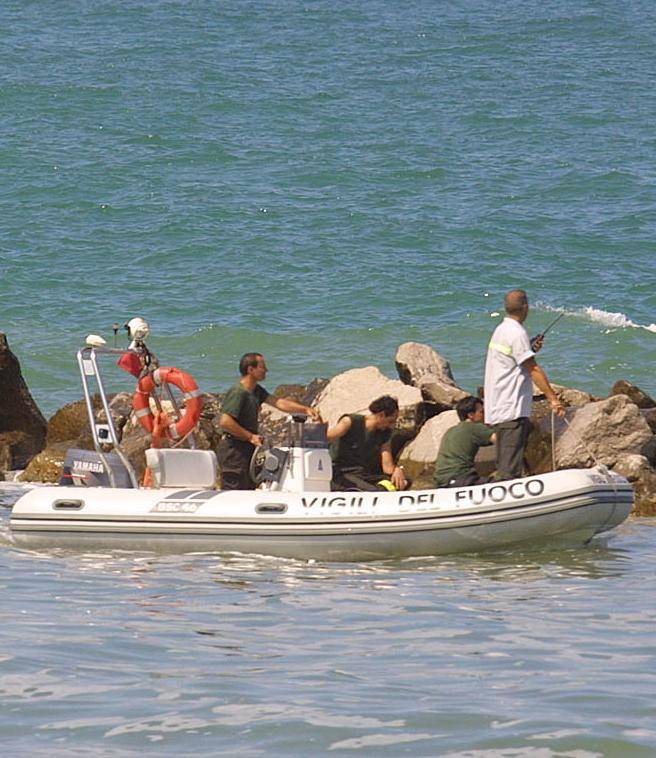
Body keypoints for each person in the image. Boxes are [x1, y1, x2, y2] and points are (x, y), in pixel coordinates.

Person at [484, 289, 565, 481]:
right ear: (525, 307)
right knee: (509, 469)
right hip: (511, 408)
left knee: (505, 462)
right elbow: (533, 369)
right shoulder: (516, 332)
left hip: (498, 406)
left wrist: (529, 347)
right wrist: (553, 399)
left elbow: (513, 360)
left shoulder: (501, 330)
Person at [217, 353, 321, 490]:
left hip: (246, 447)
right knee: (235, 488)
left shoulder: (256, 390)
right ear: (250, 369)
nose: (266, 370)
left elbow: (278, 402)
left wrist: (306, 410)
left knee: (248, 486)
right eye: (263, 367)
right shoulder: (238, 392)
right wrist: (250, 436)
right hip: (233, 449)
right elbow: (225, 421)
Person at [327, 395, 409, 492]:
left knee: (405, 482)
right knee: (373, 491)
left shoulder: (384, 434)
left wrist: (397, 470)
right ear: (381, 415)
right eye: (390, 421)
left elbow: (387, 467)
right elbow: (327, 436)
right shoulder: (350, 422)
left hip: (362, 474)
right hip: (341, 473)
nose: (392, 426)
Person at [433, 396, 496, 488]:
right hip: (461, 478)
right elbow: (502, 440)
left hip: (440, 481)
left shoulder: (451, 430)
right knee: (501, 480)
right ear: (471, 415)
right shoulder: (474, 427)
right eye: (482, 412)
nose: (485, 415)